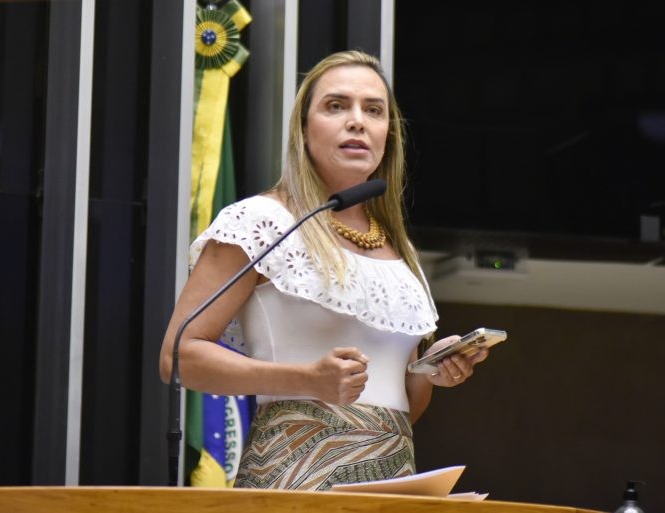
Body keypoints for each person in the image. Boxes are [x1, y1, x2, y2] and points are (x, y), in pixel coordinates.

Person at [159, 50, 490, 490]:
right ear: (303, 129)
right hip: (290, 478)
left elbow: (401, 408)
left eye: (373, 110)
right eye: (336, 106)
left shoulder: (401, 250)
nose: (357, 121)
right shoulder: (261, 221)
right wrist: (307, 380)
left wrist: (431, 369)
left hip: (392, 485)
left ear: (388, 135)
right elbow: (178, 356)